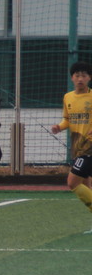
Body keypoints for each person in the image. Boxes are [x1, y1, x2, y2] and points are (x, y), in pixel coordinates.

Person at [50, 61, 92, 232]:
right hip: (77, 147)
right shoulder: (68, 97)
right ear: (72, 78)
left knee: (72, 182)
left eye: (84, 75)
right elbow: (67, 118)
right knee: (86, 185)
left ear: (89, 78)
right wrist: (59, 127)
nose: (80, 78)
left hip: (88, 148)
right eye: (77, 75)